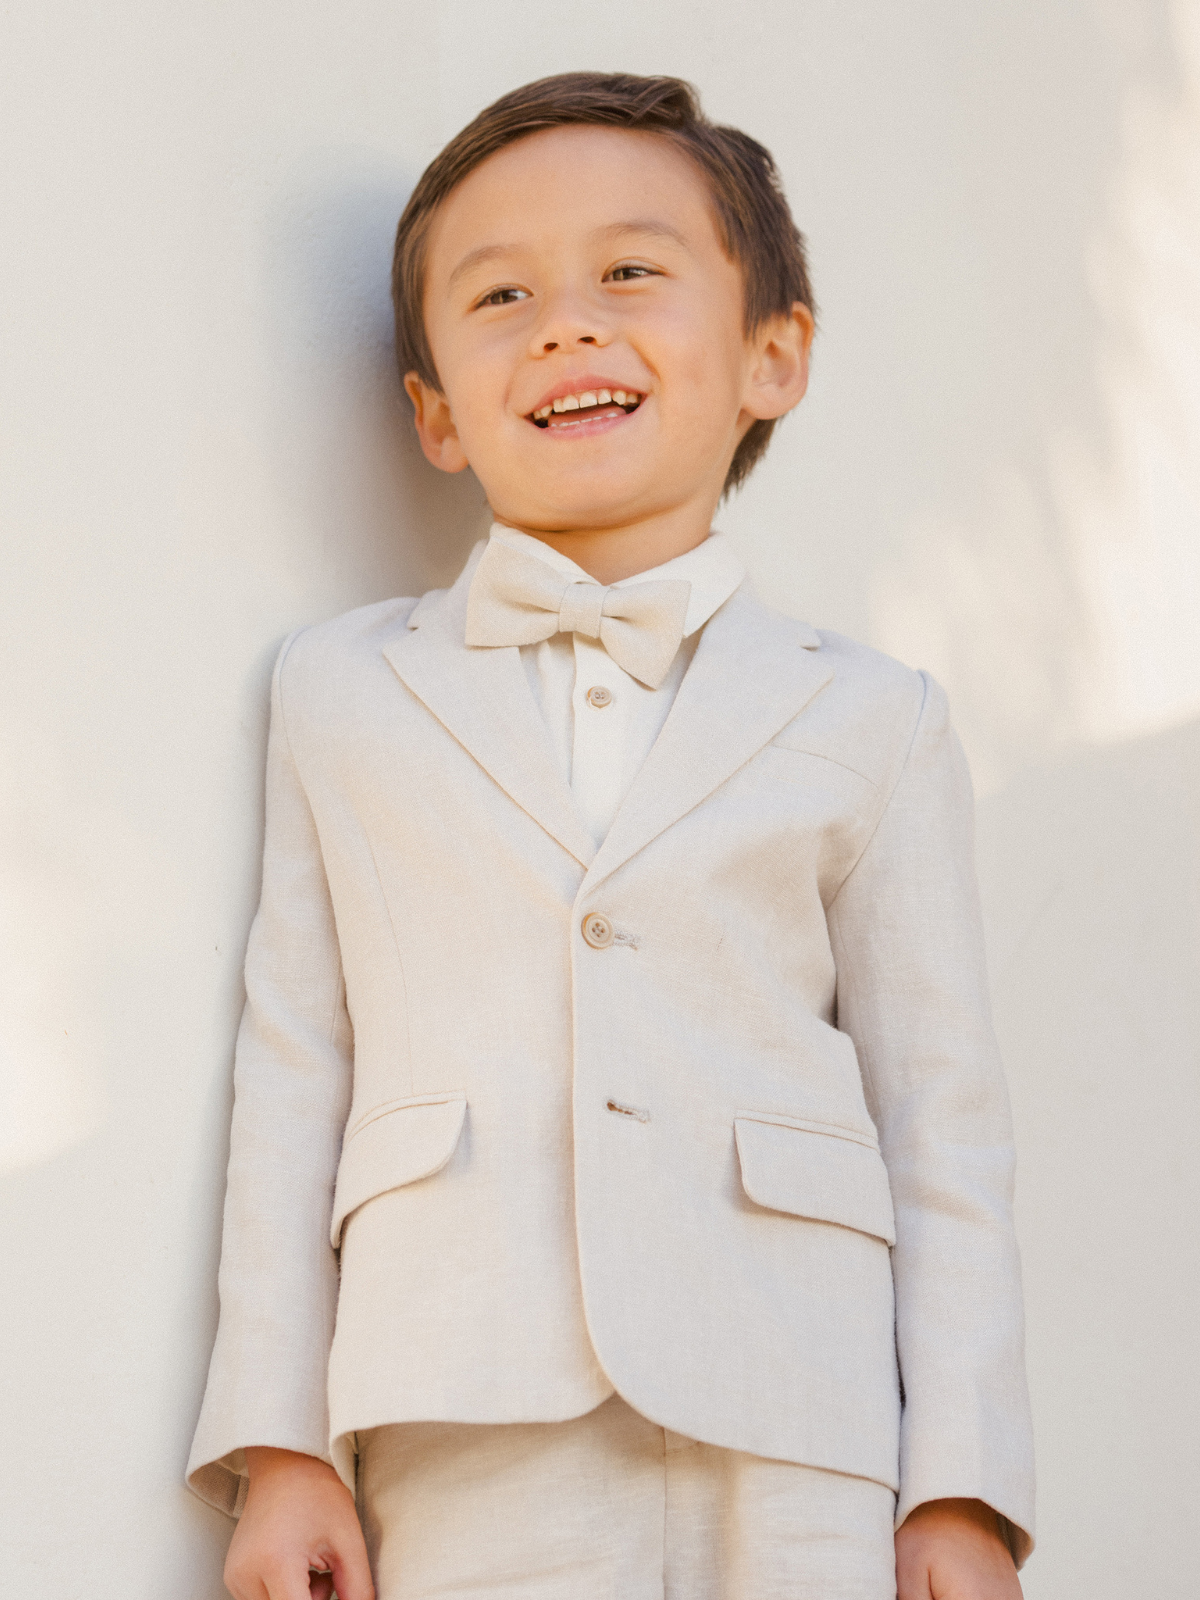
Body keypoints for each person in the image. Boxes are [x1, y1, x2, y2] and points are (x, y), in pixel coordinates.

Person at [188, 72, 1035, 1600]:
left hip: (800, 1412)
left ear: (772, 355)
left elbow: (942, 1118)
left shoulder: (876, 715)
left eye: (630, 272)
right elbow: (293, 1069)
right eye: (500, 295)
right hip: (461, 1399)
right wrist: (281, 1446)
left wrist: (962, 1489)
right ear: (434, 411)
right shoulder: (338, 691)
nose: (565, 327)